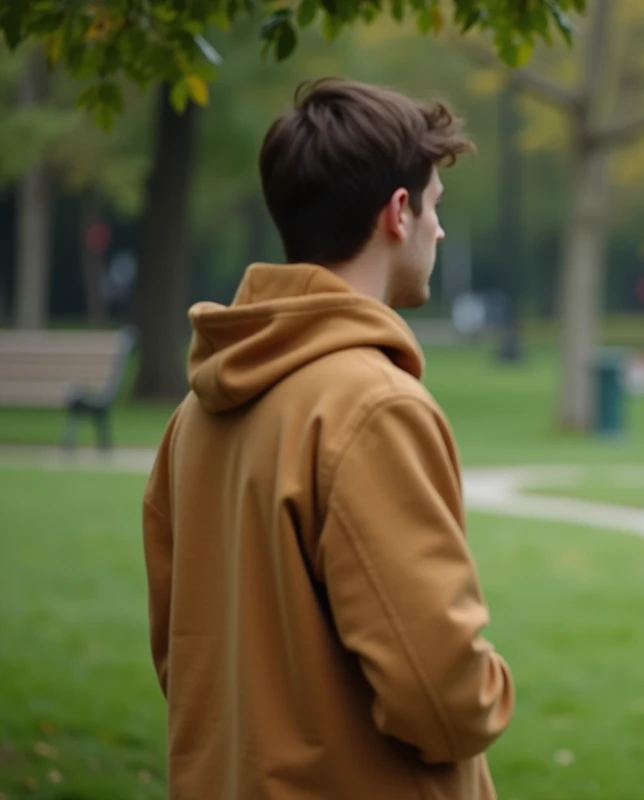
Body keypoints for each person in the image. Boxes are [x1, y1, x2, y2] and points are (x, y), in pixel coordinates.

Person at [142, 79, 514, 800]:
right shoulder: (373, 406)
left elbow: (180, 659)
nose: (440, 231)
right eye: (435, 205)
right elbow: (440, 697)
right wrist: (491, 687)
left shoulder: (195, 411)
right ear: (399, 213)